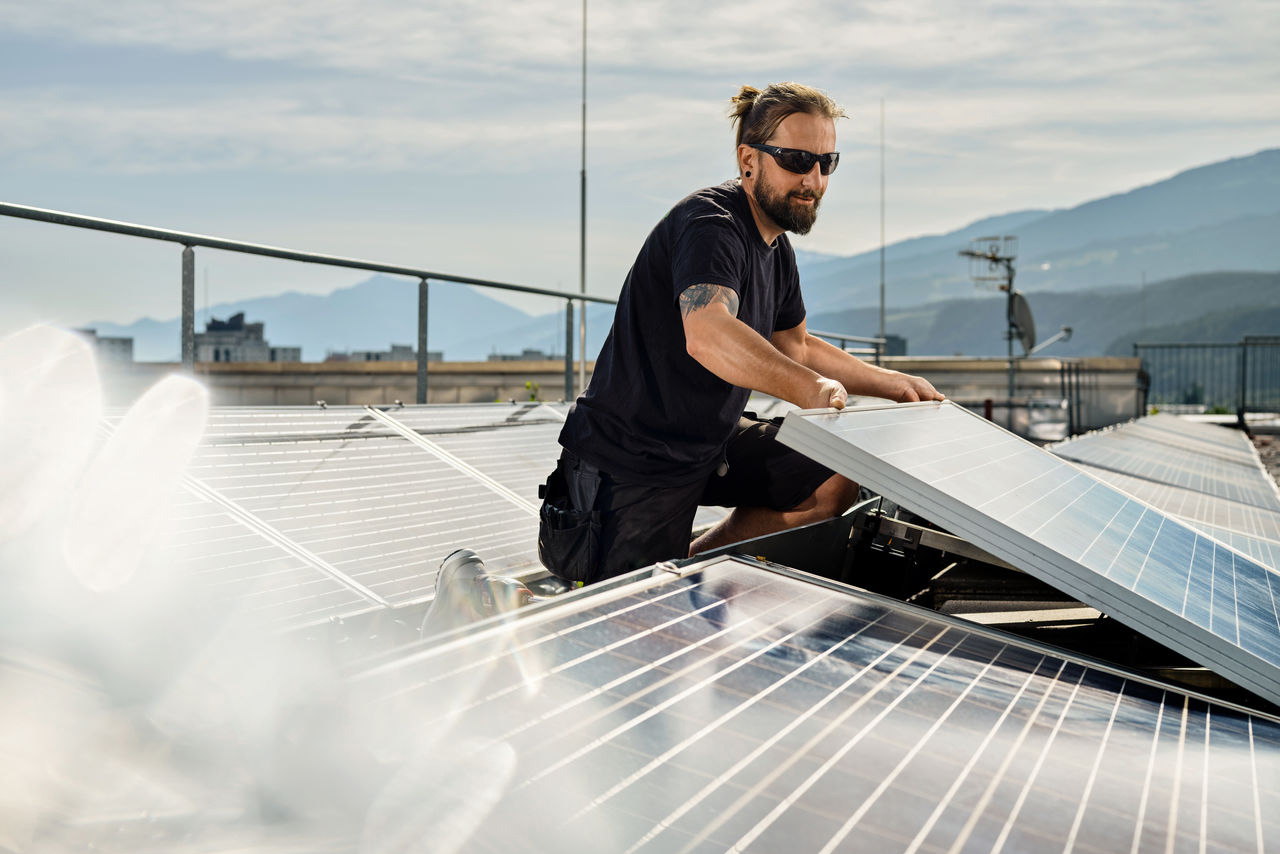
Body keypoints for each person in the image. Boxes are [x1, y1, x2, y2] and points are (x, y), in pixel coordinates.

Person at [538, 82, 942, 585]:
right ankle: (495, 597)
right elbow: (707, 332)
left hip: (708, 443)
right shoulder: (711, 225)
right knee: (630, 621)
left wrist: (891, 383)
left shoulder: (776, 246)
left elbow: (794, 346)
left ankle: (691, 561)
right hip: (634, 459)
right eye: (796, 159)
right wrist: (807, 389)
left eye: (826, 162)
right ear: (748, 159)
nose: (812, 179)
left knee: (833, 475)